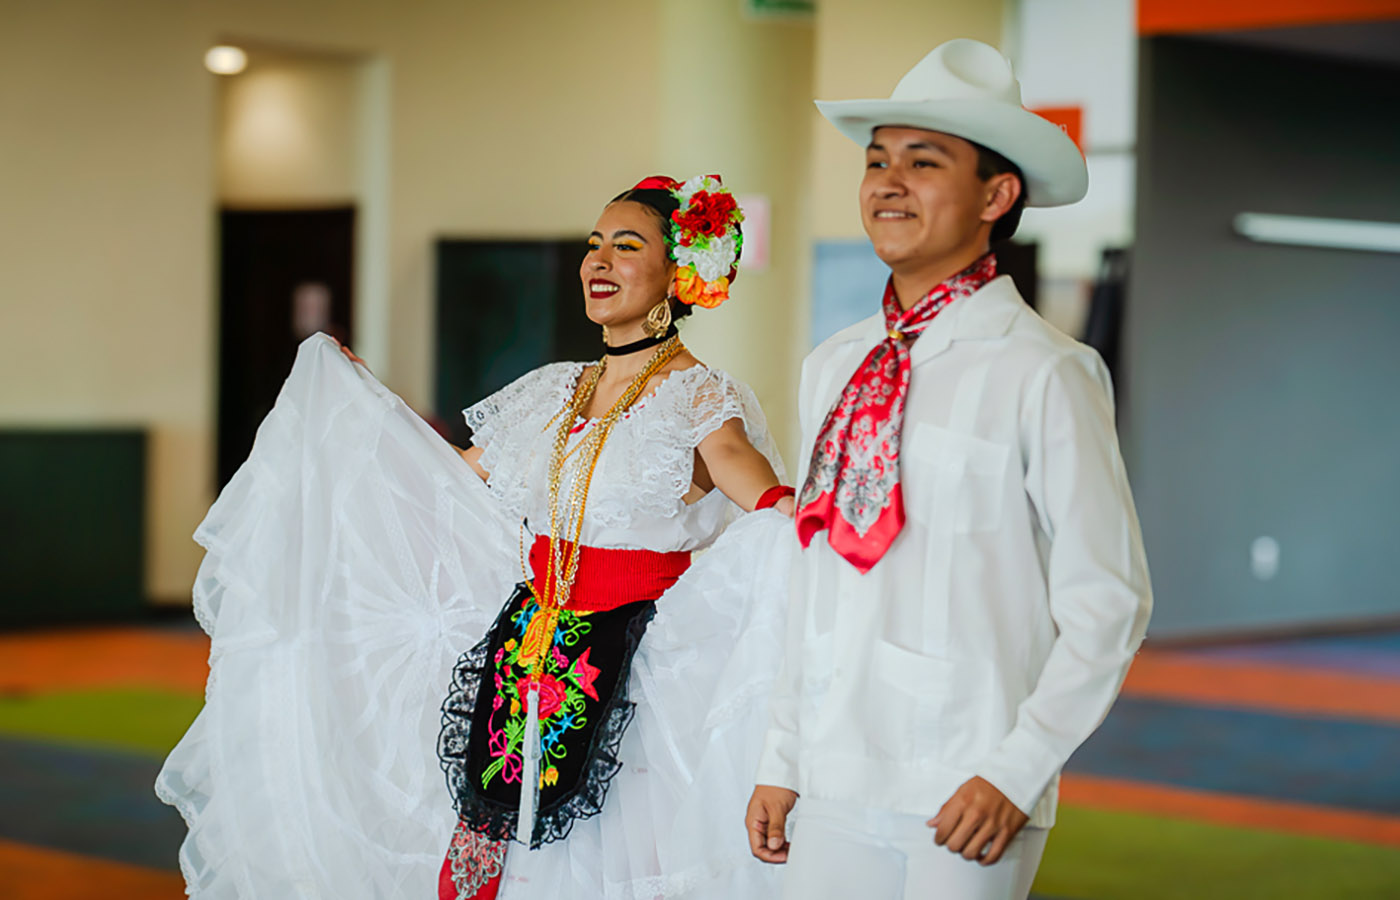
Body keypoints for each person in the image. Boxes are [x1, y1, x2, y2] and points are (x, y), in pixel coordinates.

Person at [157, 174, 797, 900]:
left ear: (680, 272)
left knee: (612, 849)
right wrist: (367, 417)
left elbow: (753, 481)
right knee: (501, 847)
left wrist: (802, 516)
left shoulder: (697, 395)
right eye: (593, 247)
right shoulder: (556, 388)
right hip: (522, 648)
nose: (599, 263)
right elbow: (445, 476)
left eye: (626, 246)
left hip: (638, 658)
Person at [744, 39, 1153, 900]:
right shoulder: (835, 366)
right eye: (877, 160)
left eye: (923, 162)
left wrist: (1020, 769)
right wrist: (782, 753)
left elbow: (1108, 601)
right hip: (826, 775)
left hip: (967, 782)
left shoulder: (1045, 371)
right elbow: (810, 579)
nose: (888, 182)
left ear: (996, 196)